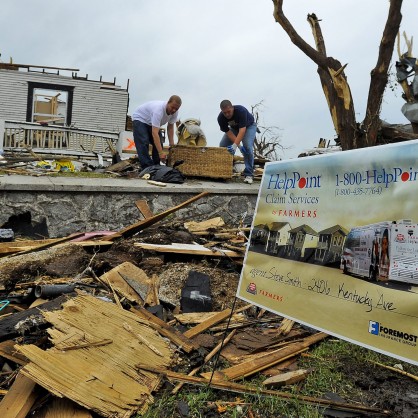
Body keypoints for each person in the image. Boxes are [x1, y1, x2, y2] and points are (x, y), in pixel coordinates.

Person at [132, 95, 182, 169]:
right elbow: (155, 133)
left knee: (159, 142)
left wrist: (172, 145)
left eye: (176, 109)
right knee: (143, 141)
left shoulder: (175, 113)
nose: (174, 110)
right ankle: (147, 166)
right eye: (172, 107)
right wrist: (161, 153)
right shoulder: (158, 110)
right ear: (168, 103)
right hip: (140, 119)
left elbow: (170, 128)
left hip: (151, 123)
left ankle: (156, 165)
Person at [217, 99, 257, 184]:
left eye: (229, 111)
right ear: (222, 111)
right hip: (234, 129)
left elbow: (242, 130)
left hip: (249, 127)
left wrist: (235, 145)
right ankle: (225, 171)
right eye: (225, 113)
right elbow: (228, 132)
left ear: (233, 108)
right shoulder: (220, 118)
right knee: (223, 145)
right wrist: (239, 146)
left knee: (247, 146)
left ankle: (249, 174)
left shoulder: (241, 111)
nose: (227, 114)